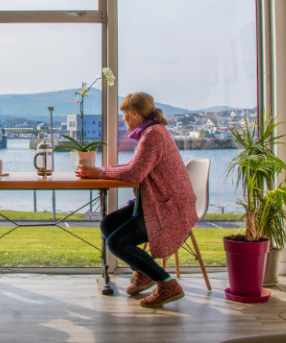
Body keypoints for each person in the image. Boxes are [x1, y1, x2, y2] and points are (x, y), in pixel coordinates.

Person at [76, 92, 198, 308]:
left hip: (168, 209)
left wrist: (100, 172)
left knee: (116, 242)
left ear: (134, 114)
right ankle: (144, 272)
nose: (123, 119)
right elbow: (134, 168)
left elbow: (134, 174)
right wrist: (100, 171)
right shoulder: (151, 132)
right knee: (108, 224)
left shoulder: (153, 135)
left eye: (124, 114)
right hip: (157, 204)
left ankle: (167, 284)